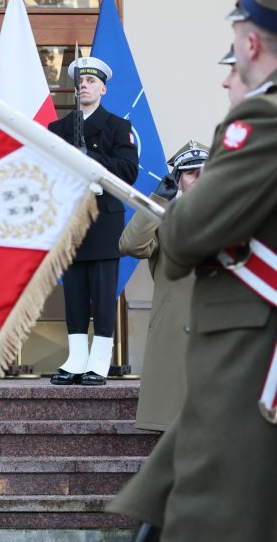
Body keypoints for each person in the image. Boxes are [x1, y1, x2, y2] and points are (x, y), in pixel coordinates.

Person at [108, 0, 277, 541]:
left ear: (251, 42)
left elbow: (181, 240)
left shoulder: (262, 121)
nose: (225, 78)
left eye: (232, 55)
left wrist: (190, 222)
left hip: (245, 368)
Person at [48, 56, 138, 386]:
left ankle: (99, 359)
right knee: (74, 291)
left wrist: (92, 158)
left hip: (103, 220)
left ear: (103, 88)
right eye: (80, 81)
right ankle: (76, 357)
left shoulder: (118, 127)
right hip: (72, 219)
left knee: (101, 293)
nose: (83, 85)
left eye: (91, 81)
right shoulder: (58, 129)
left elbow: (129, 171)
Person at [118, 142, 207, 432]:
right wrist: (156, 201)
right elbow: (131, 245)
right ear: (179, 179)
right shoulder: (162, 216)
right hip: (176, 328)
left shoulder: (235, 213)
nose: (200, 178)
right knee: (175, 427)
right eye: (192, 173)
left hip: (221, 324)